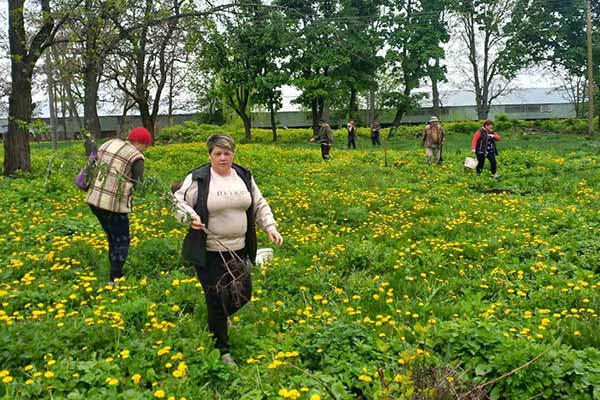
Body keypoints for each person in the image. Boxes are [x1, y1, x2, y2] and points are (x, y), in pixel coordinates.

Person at [173, 134, 283, 367]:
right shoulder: (199, 178)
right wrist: (188, 216)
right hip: (209, 251)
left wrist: (270, 227)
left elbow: (259, 203)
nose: (223, 157)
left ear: (233, 153)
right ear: (210, 155)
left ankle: (221, 318)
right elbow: (178, 202)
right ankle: (223, 350)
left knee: (243, 294)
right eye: (218, 153)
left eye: (227, 153)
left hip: (238, 249)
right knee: (215, 299)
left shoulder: (243, 176)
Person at [86, 127, 151, 284]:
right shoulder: (136, 157)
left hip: (94, 200)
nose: (147, 149)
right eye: (146, 145)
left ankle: (114, 269)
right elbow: (139, 185)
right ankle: (115, 277)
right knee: (121, 240)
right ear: (140, 143)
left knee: (112, 236)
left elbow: (92, 165)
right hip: (113, 205)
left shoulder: (108, 143)